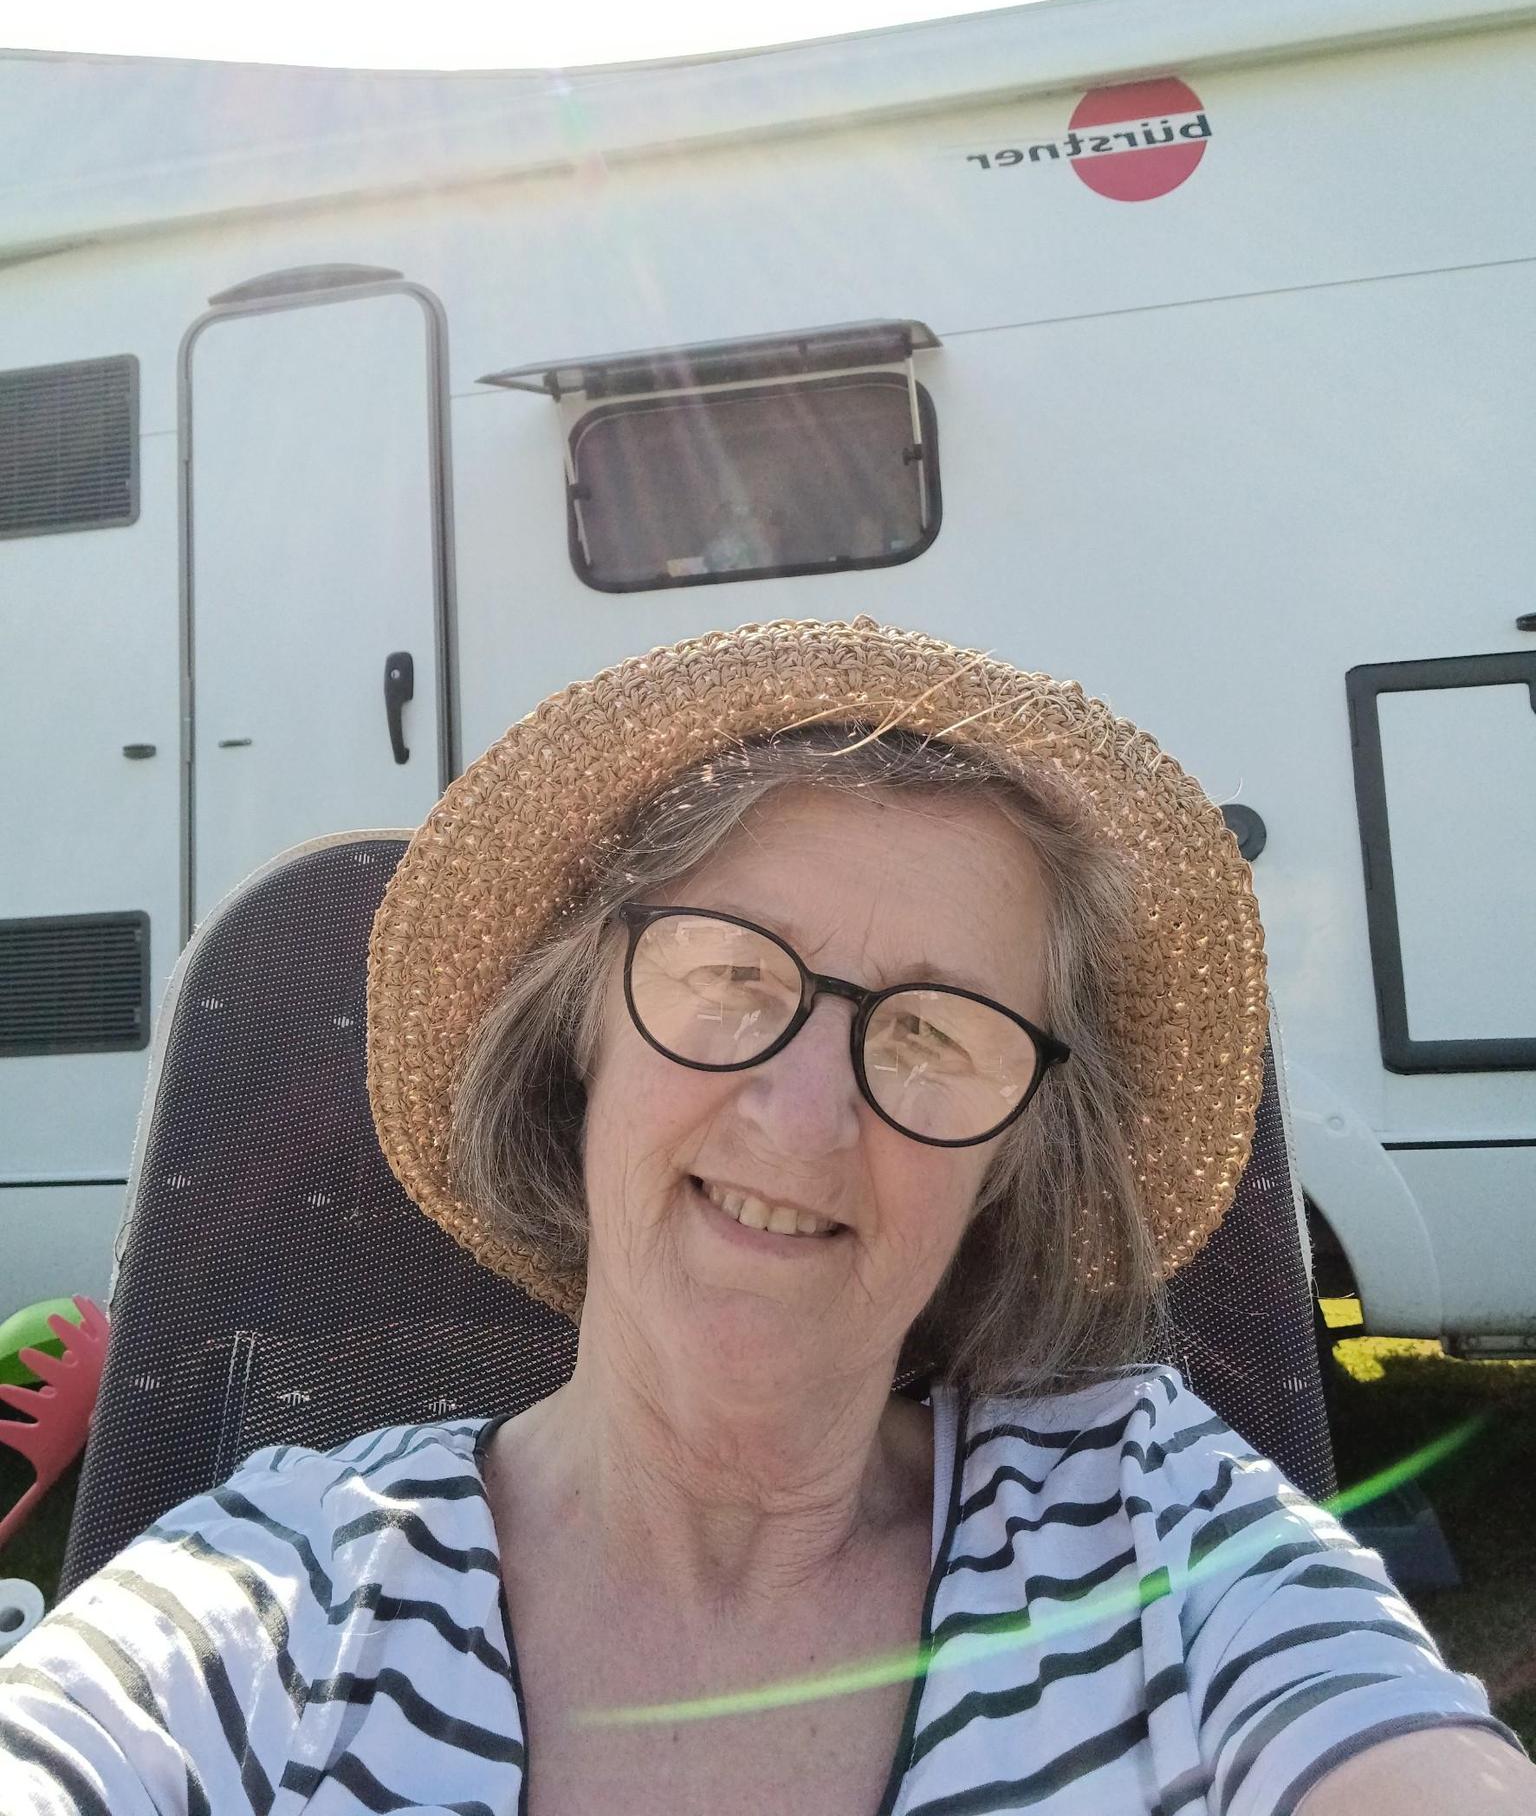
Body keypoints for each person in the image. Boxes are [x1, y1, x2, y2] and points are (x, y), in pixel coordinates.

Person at [1, 615, 1531, 1816]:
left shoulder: (1164, 1525)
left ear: (1012, 1154)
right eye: (731, 975)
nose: (803, 1119)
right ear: (579, 1033)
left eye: (934, 1031)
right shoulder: (272, 1592)